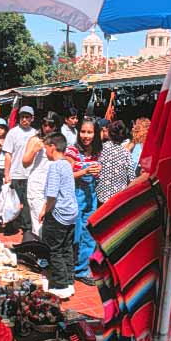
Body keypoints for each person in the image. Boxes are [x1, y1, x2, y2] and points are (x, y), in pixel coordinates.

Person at [39, 133, 78, 299]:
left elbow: (52, 196)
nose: (45, 152)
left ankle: (60, 285)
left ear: (52, 147)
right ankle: (69, 281)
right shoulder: (67, 165)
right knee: (66, 248)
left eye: (46, 148)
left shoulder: (55, 167)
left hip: (59, 213)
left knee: (54, 249)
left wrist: (43, 211)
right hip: (71, 213)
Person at [65, 119, 102, 286]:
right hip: (74, 196)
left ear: (95, 134)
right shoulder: (72, 151)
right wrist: (85, 170)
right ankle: (67, 268)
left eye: (90, 132)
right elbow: (66, 175)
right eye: (83, 132)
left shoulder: (97, 152)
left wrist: (97, 172)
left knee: (88, 235)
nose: (86, 136)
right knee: (73, 234)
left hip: (90, 197)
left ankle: (81, 270)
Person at [23, 111, 59, 238]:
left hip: (53, 186)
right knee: (38, 221)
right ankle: (40, 253)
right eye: (45, 125)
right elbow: (25, 162)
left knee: (52, 221)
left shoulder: (58, 141)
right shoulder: (35, 140)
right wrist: (34, 150)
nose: (47, 128)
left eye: (51, 125)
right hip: (37, 186)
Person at [2, 106, 36, 236]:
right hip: (15, 173)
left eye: (27, 117)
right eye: (22, 117)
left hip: (29, 174)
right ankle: (11, 224)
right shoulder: (12, 133)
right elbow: (8, 154)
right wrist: (7, 174)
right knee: (12, 201)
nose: (25, 119)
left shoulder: (35, 133)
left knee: (27, 202)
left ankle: (27, 227)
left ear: (32, 118)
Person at [96, 120, 136, 205]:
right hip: (118, 199)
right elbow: (132, 177)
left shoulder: (101, 149)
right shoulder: (126, 153)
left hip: (101, 195)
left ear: (109, 134)